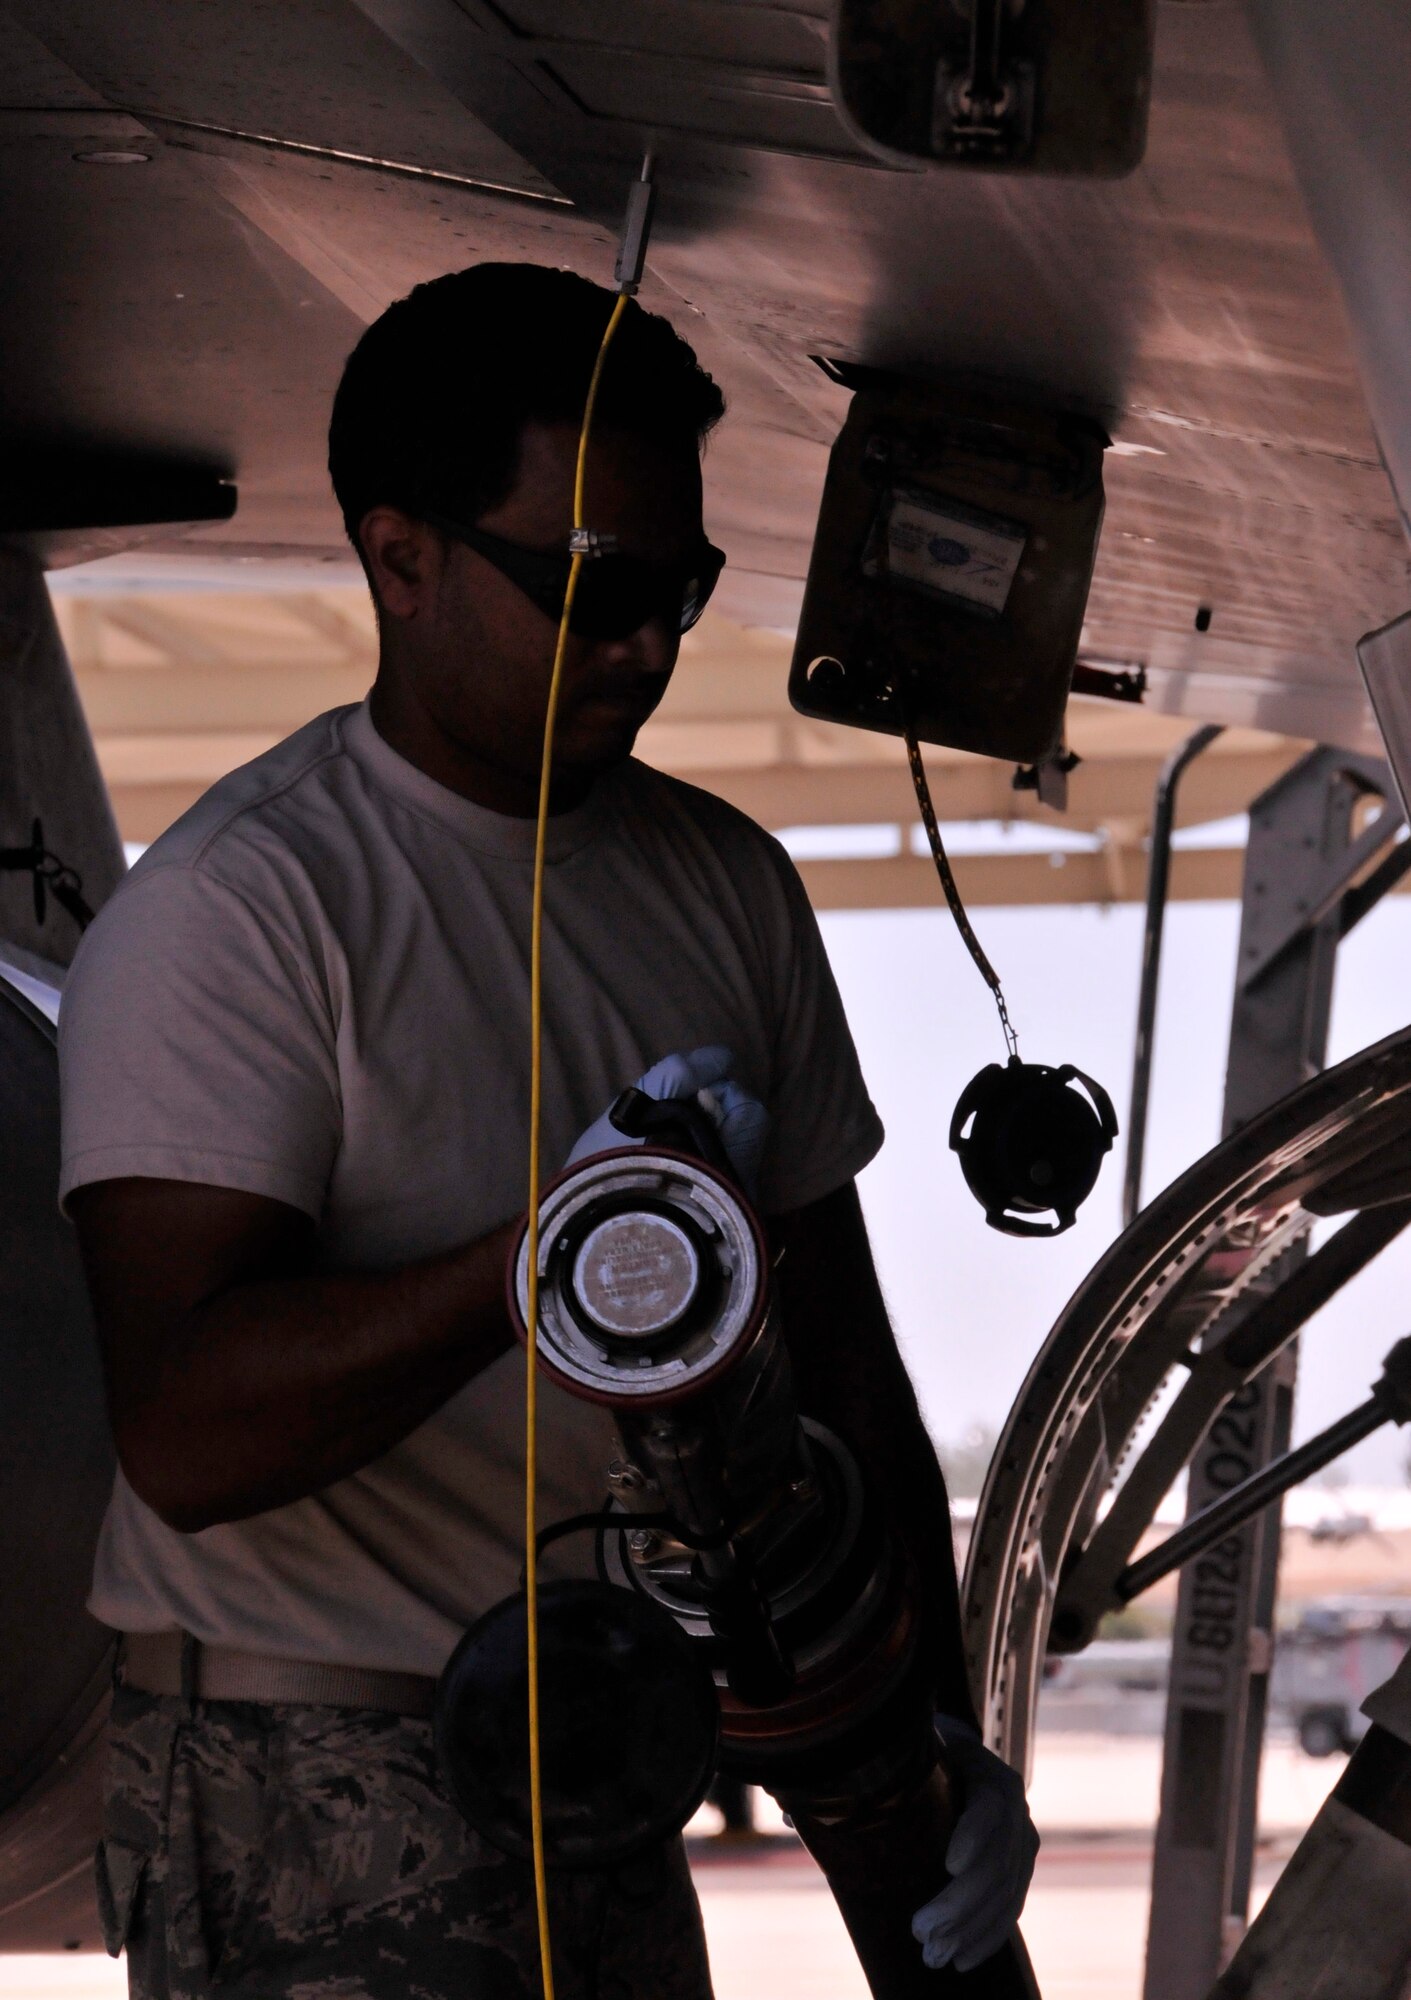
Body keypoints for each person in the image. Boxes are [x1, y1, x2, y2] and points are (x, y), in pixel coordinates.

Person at [60, 262, 1037, 2000]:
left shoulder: (722, 887)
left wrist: (931, 1750)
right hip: (317, 1773)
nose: (650, 645)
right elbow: (186, 1439)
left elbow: (844, 1380)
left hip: (601, 1750)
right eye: (588, 588)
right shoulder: (246, 911)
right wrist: (544, 1262)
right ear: (402, 556)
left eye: (680, 588)